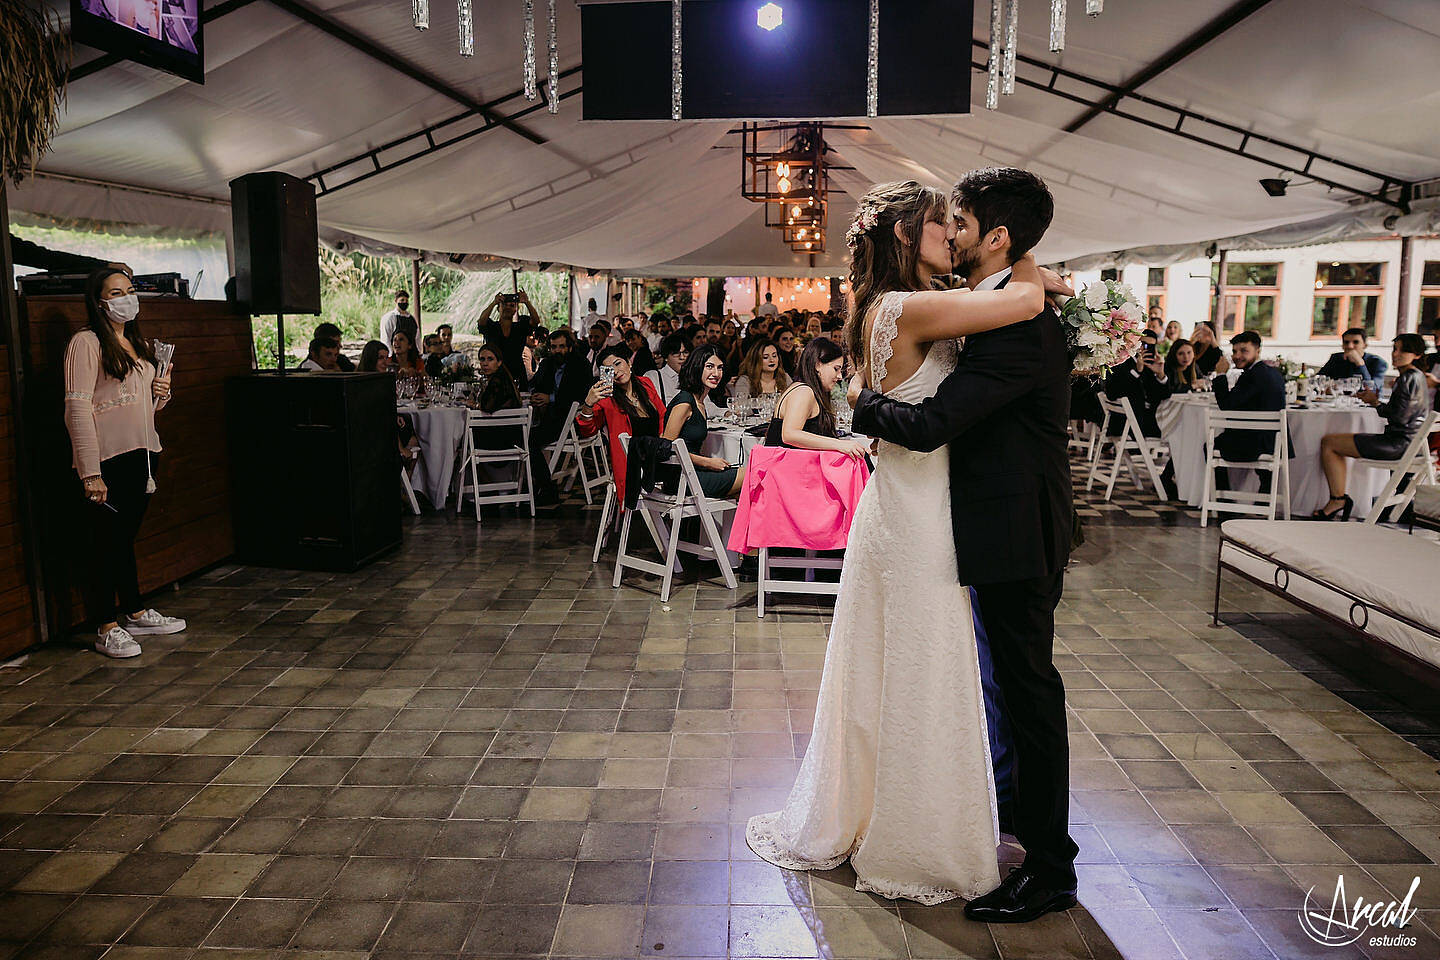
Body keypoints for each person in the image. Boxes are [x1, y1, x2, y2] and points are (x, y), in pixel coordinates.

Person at [751, 173, 1074, 916]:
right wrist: (1033, 272)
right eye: (941, 224)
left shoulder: (917, 305)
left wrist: (862, 402)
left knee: (932, 674)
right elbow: (1017, 304)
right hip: (921, 514)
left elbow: (1004, 319)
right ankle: (926, 832)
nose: (951, 235)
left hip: (940, 514)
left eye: (960, 224)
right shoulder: (911, 307)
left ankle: (985, 836)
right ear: (907, 235)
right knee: (928, 672)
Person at [64, 268, 184, 659]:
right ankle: (106, 625)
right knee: (105, 543)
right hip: (107, 458)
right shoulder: (85, 342)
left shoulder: (137, 342)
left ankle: (133, 611)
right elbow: (77, 408)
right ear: (99, 301)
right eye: (116, 292)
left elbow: (145, 407)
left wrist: (161, 394)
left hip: (145, 454)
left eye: (130, 290)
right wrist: (90, 471)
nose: (126, 298)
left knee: (123, 539)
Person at [1314, 333, 1430, 520]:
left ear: (1416, 355)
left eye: (1402, 350)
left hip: (1398, 445)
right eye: (1395, 349)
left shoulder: (1408, 378)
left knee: (1330, 442)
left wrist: (1375, 402)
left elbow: (1399, 417)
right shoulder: (1417, 377)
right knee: (1336, 440)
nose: (1395, 354)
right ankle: (1339, 499)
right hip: (1411, 444)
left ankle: (1338, 499)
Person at [577, 345, 665, 504]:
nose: (616, 371)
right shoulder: (607, 399)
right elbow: (587, 430)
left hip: (658, 455)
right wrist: (588, 404)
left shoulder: (645, 384)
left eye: (618, 363)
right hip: (633, 465)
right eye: (609, 369)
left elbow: (662, 416)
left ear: (629, 363)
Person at [661, 344, 746, 498]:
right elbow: (667, 448)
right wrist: (708, 462)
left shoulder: (700, 402)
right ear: (697, 368)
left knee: (749, 491)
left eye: (720, 368)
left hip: (693, 472)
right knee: (753, 474)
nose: (716, 373)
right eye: (710, 367)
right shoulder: (685, 403)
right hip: (681, 479)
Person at [765, 337, 868, 458]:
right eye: (836, 369)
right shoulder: (803, 391)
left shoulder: (807, 390)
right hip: (783, 470)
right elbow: (789, 434)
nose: (840, 376)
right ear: (818, 365)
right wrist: (839, 444)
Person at [1212, 330, 1286, 495]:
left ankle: (1223, 500)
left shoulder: (1252, 375)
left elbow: (1226, 405)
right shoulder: (1273, 372)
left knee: (1209, 445)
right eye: (1235, 351)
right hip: (1274, 441)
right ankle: (1265, 490)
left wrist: (1221, 375)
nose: (1237, 356)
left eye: (1244, 351)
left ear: (1258, 351)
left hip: (1254, 445)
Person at [529, 328, 596, 506]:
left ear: (570, 348)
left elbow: (580, 394)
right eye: (553, 347)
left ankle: (547, 488)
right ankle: (532, 486)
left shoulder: (580, 365)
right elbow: (535, 384)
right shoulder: (547, 364)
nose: (557, 351)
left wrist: (550, 398)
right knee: (524, 435)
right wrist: (537, 395)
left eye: (561, 347)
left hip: (571, 423)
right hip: (549, 417)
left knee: (530, 441)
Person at [1103, 329, 1172, 438]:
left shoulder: (1154, 365)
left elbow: (1166, 396)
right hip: (1126, 423)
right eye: (1143, 344)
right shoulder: (1122, 362)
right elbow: (1112, 393)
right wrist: (1137, 371)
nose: (1146, 349)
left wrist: (1160, 375)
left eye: (1150, 346)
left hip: (1151, 420)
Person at [480, 290, 538, 389]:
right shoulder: (492, 327)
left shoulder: (520, 327)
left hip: (517, 373)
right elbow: (482, 322)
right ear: (499, 308)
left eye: (512, 305)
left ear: (516, 309)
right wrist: (494, 303)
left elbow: (535, 321)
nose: (508, 307)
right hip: (495, 373)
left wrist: (527, 302)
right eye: (504, 305)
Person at [1317, 327, 1389, 388]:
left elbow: (1372, 389)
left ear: (1365, 345)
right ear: (1342, 345)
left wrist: (1360, 364)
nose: (1350, 346)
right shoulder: (1336, 358)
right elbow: (1318, 380)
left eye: (1356, 342)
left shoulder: (1378, 362)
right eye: (1346, 342)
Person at [473, 344, 522, 413]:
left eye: (490, 359)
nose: (485, 363)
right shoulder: (504, 378)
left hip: (502, 423)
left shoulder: (498, 381)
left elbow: (487, 407)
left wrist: (474, 405)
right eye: (482, 359)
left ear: (499, 362)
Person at [645, 334, 688, 406]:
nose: (682, 357)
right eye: (676, 353)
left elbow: (709, 406)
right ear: (666, 356)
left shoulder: (692, 377)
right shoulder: (653, 377)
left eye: (685, 352)